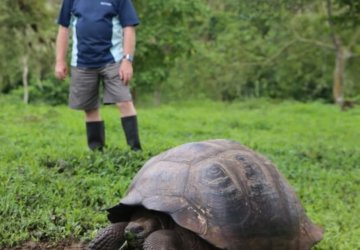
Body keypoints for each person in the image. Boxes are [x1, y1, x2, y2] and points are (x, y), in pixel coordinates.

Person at [54, 0, 141, 151]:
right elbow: (63, 28)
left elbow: (129, 28)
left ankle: (135, 150)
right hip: (81, 62)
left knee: (124, 102)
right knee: (90, 108)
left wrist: (127, 60)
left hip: (114, 61)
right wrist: (60, 61)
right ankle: (97, 151)